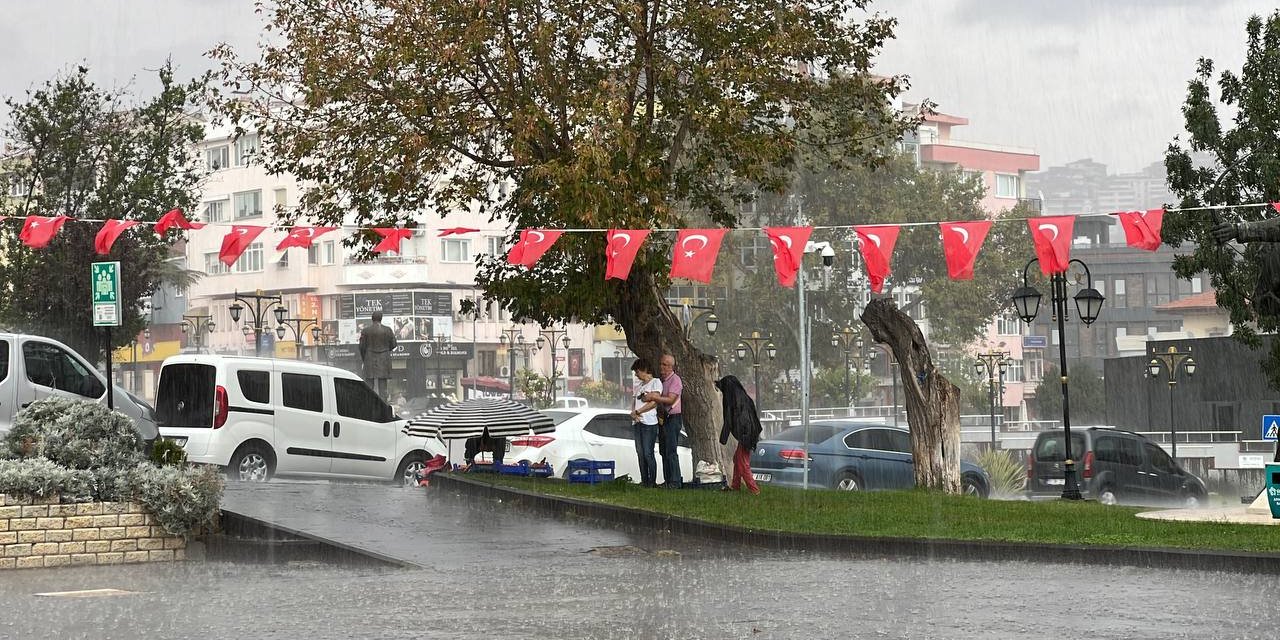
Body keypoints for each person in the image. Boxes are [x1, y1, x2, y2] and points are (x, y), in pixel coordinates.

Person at [716, 375, 762, 495]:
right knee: (738, 459)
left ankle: (754, 490)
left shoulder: (734, 401)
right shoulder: (744, 398)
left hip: (746, 435)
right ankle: (735, 485)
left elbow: (729, 421)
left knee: (742, 463)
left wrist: (723, 439)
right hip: (749, 434)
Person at [644, 353, 683, 488]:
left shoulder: (675, 380)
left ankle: (675, 481)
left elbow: (671, 399)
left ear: (671, 366)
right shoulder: (662, 381)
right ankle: (668, 480)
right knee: (663, 450)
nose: (662, 367)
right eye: (661, 364)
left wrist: (653, 397)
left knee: (671, 450)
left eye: (665, 365)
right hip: (663, 418)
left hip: (673, 418)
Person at [629, 358, 663, 488]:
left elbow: (654, 402)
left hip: (649, 422)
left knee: (648, 452)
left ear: (644, 370)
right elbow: (634, 401)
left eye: (637, 372)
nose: (637, 375)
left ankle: (652, 481)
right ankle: (644, 480)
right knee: (640, 452)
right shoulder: (639, 386)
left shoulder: (656, 382)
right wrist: (634, 413)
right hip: (638, 421)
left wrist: (639, 411)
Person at [358, 311, 397, 400]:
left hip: (369, 359)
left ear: (372, 319)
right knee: (383, 387)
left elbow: (361, 347)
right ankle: (383, 405)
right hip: (384, 359)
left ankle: (369, 404)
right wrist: (386, 349)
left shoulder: (366, 331)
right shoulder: (388, 330)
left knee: (369, 386)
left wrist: (364, 358)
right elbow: (394, 344)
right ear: (381, 319)